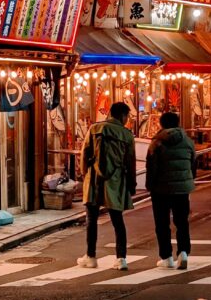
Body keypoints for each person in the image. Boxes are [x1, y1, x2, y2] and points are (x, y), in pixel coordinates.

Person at [78, 101, 137, 271]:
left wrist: (85, 175)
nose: (127, 120)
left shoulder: (95, 129)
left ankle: (90, 256)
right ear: (123, 116)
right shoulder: (126, 135)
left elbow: (85, 154)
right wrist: (131, 184)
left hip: (94, 179)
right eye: (128, 116)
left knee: (91, 220)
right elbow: (130, 161)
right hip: (116, 180)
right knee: (118, 221)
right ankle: (121, 259)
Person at [145, 111, 197, 269]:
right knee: (182, 222)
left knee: (162, 223)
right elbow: (193, 164)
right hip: (182, 188)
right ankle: (183, 253)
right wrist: (188, 179)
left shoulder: (157, 143)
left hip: (161, 189)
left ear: (161, 124)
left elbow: (151, 167)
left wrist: (150, 185)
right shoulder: (187, 141)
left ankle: (166, 257)